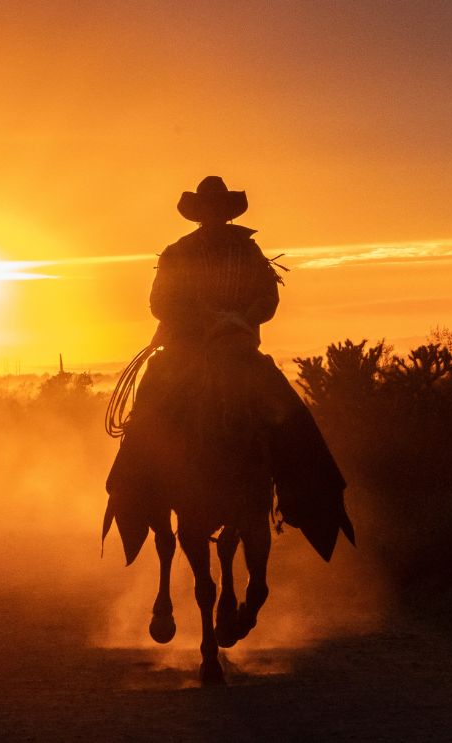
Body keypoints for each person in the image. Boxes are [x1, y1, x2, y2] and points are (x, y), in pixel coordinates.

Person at [103, 176, 353, 565]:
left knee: (289, 412)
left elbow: (268, 299)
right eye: (208, 210)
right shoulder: (176, 254)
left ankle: (308, 493)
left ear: (226, 212)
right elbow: (159, 303)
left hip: (238, 347)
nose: (214, 216)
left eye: (219, 209)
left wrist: (239, 319)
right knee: (149, 408)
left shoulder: (248, 251)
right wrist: (198, 321)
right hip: (186, 348)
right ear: (199, 215)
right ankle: (134, 493)